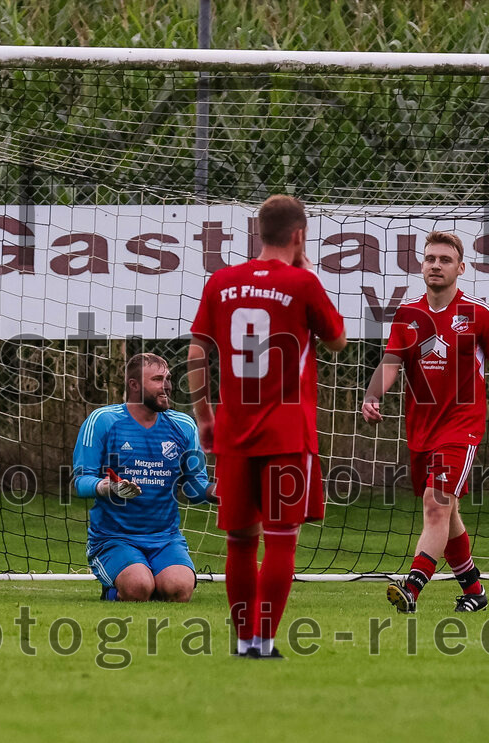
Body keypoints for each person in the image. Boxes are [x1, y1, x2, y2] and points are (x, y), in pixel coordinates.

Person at [188, 194, 347, 659]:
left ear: (259, 232)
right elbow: (336, 341)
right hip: (286, 432)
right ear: (298, 235)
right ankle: (263, 639)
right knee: (281, 539)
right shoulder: (302, 283)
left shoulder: (221, 281)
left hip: (234, 430)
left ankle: (241, 642)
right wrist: (308, 272)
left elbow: (197, 352)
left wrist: (204, 417)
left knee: (239, 540)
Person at [362, 230, 489, 613]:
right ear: (421, 265)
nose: (436, 265)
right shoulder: (408, 315)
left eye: (444, 260)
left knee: (436, 504)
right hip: (422, 429)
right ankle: (474, 591)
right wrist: (374, 393)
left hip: (463, 426)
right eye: (430, 259)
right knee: (448, 513)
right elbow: (391, 362)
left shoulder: (477, 314)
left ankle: (412, 587)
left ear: (460, 268)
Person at [73, 352, 216, 602]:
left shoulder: (183, 426)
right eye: (158, 379)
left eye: (168, 378)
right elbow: (81, 481)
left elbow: (193, 485)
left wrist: (213, 492)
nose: (167, 386)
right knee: (138, 587)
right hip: (113, 538)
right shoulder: (103, 421)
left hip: (165, 538)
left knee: (179, 590)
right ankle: (118, 588)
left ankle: (156, 581)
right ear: (134, 385)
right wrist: (108, 487)